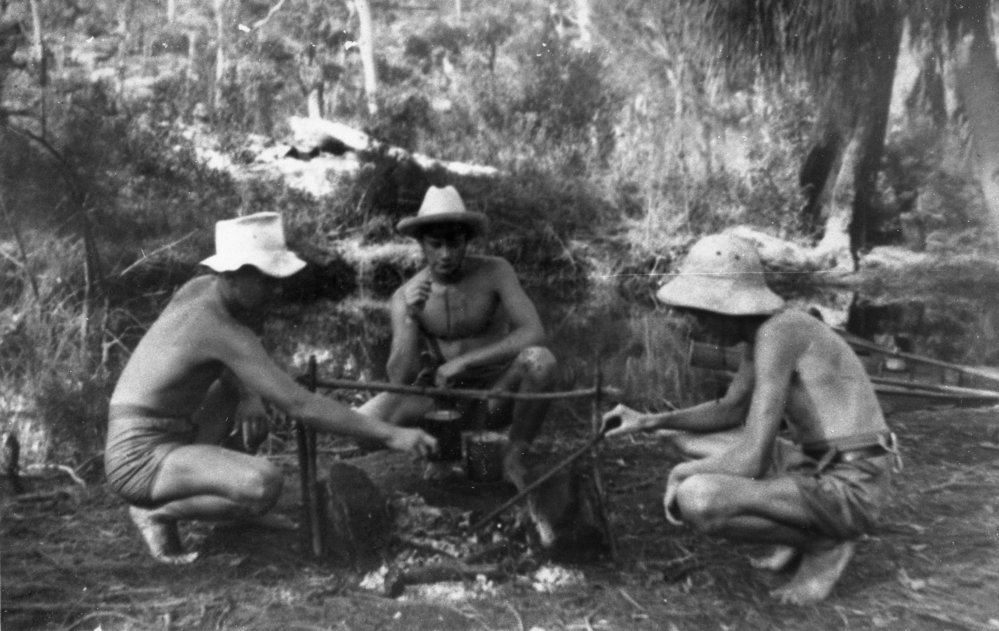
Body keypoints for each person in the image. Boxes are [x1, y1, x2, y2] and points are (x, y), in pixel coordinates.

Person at [105, 212, 437, 565]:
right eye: (264, 278)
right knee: (264, 483)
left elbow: (221, 366)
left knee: (232, 394)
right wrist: (391, 434)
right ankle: (156, 513)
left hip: (171, 431)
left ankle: (229, 499)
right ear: (230, 275)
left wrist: (248, 394)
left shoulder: (201, 289)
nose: (275, 288)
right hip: (137, 457)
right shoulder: (218, 326)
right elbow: (300, 405)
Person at [603, 233, 899, 605]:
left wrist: (680, 474)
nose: (693, 325)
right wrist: (647, 421)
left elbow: (753, 459)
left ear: (726, 305)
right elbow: (729, 409)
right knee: (682, 439)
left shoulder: (779, 333)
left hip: (851, 488)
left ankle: (824, 543)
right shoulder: (762, 333)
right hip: (820, 466)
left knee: (696, 497)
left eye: (698, 312)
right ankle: (798, 529)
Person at [359, 185, 557, 489]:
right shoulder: (405, 296)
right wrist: (412, 316)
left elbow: (534, 333)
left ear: (467, 239)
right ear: (421, 244)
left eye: (454, 243)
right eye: (436, 244)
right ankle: (439, 450)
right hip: (440, 406)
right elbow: (398, 378)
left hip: (495, 394)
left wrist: (464, 362)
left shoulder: (495, 271)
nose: (446, 254)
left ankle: (514, 456)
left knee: (541, 362)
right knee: (360, 426)